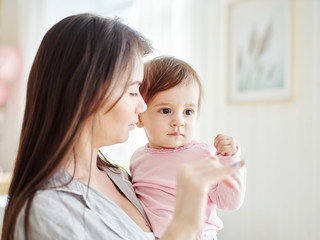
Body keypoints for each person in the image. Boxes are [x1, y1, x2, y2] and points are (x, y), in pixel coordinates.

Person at [1, 14, 245, 240]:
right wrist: (183, 226)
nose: (141, 106)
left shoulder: (119, 176)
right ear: (86, 95)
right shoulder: (46, 213)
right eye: (132, 91)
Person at [130, 56, 247, 240]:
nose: (179, 121)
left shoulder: (203, 155)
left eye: (188, 112)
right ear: (139, 116)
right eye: (166, 110)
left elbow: (229, 202)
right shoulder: (137, 159)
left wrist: (230, 159)